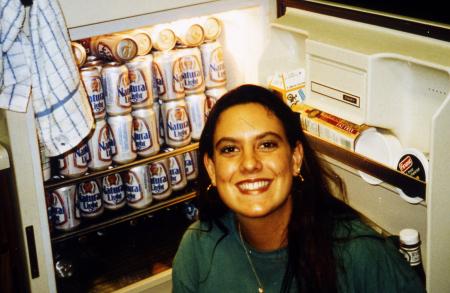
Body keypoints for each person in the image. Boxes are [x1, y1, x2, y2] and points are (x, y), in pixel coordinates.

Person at [172, 84, 425, 293]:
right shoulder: (198, 248)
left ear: (295, 159)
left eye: (267, 145)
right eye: (230, 149)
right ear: (212, 169)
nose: (249, 163)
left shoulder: (361, 256)